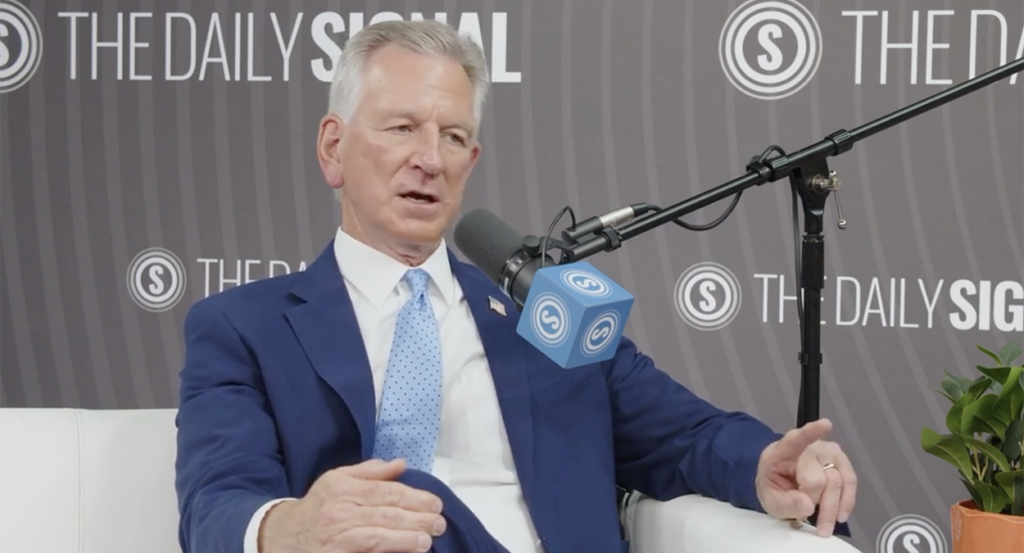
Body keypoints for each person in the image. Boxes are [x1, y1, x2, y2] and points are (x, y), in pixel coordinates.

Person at [174, 19, 857, 553]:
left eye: (452, 137)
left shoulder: (543, 310)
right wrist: (293, 527)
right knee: (412, 501)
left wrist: (766, 463)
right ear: (333, 148)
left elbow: (683, 436)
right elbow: (216, 503)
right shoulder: (243, 328)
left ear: (470, 161)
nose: (428, 159)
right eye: (403, 128)